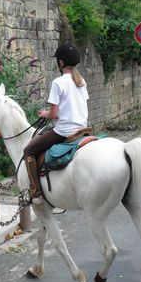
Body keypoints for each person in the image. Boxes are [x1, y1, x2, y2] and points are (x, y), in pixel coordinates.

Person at [23, 42, 89, 204]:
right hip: (83, 128)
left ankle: (36, 191)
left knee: (29, 151)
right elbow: (75, 107)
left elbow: (53, 114)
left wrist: (45, 113)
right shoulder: (81, 81)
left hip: (65, 131)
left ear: (60, 62)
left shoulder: (58, 82)